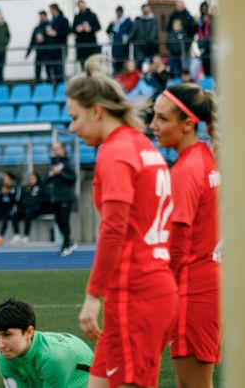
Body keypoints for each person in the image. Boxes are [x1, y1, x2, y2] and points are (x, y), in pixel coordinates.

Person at [66, 55, 178, 388]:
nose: (71, 127)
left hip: (136, 292)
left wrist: (92, 296)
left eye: (75, 117)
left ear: (97, 111)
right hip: (149, 287)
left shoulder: (115, 152)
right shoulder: (143, 146)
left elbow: (114, 230)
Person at [150, 83, 221, 387]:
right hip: (205, 286)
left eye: (162, 119)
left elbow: (177, 247)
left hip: (190, 293)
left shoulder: (185, 171)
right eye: (153, 116)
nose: (153, 125)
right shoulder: (205, 158)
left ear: (188, 124)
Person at [0, 298, 94, 387]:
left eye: (7, 335)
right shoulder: (5, 356)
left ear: (29, 332)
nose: (1, 345)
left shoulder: (53, 358)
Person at [45, 142, 77, 256]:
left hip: (66, 196)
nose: (55, 151)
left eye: (58, 149)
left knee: (65, 221)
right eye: (54, 149)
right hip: (56, 197)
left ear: (63, 150)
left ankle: (65, 245)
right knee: (58, 221)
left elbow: (73, 179)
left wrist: (60, 173)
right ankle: (69, 240)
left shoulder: (68, 163)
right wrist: (51, 174)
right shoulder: (52, 163)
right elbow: (46, 180)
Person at [18, 172, 51, 243]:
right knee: (15, 215)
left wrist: (35, 201)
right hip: (26, 208)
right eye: (30, 179)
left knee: (28, 214)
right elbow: (22, 200)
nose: (31, 180)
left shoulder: (42, 187)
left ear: (37, 179)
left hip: (37, 209)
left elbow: (46, 199)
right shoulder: (26, 188)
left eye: (33, 178)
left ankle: (26, 236)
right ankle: (16, 235)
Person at [72, 0, 102, 68]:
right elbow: (73, 29)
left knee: (92, 63)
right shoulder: (77, 17)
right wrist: (77, 29)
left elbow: (98, 27)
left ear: (85, 5)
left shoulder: (92, 15)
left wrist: (90, 29)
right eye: (80, 6)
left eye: (82, 5)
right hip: (81, 44)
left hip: (91, 43)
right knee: (83, 64)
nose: (81, 7)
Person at [129, 4, 158, 68]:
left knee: (151, 64)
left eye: (147, 8)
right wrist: (128, 40)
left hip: (150, 47)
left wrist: (149, 40)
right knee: (139, 63)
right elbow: (133, 32)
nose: (146, 10)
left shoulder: (154, 20)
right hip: (140, 46)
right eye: (144, 9)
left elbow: (153, 33)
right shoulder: (138, 20)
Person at [47, 4, 71, 82]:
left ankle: (60, 85)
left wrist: (56, 33)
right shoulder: (50, 21)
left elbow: (67, 31)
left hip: (60, 48)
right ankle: (56, 85)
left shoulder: (63, 20)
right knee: (53, 69)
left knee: (59, 68)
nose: (50, 11)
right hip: (52, 49)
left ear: (55, 9)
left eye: (51, 9)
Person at [106, 6, 133, 74]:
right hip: (115, 47)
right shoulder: (114, 21)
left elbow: (132, 32)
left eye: (119, 12)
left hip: (124, 48)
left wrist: (127, 39)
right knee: (115, 65)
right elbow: (108, 31)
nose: (118, 13)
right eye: (117, 12)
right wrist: (111, 24)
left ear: (121, 12)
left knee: (124, 65)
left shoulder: (127, 21)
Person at [27, 10, 50, 83]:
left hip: (47, 52)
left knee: (48, 69)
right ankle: (38, 84)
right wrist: (28, 52)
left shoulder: (49, 27)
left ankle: (49, 84)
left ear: (46, 17)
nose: (41, 18)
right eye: (40, 17)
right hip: (39, 51)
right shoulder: (37, 28)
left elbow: (52, 38)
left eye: (43, 17)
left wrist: (45, 39)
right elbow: (32, 41)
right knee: (37, 69)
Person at [196, 2, 213, 78]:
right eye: (203, 8)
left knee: (211, 64)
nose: (204, 10)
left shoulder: (211, 18)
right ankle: (207, 77)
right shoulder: (199, 19)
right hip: (202, 44)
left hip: (210, 44)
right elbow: (196, 31)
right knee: (204, 64)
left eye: (205, 8)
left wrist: (209, 23)